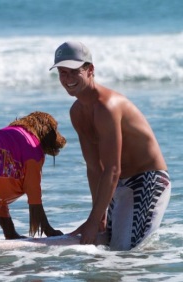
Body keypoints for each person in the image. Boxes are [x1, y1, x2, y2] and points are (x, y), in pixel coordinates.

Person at [49, 41, 171, 250]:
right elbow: (94, 168)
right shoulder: (77, 112)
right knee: (110, 249)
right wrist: (100, 216)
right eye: (62, 72)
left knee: (126, 253)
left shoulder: (107, 107)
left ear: (90, 70)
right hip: (118, 184)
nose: (67, 79)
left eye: (73, 71)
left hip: (148, 180)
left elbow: (112, 169)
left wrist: (93, 220)